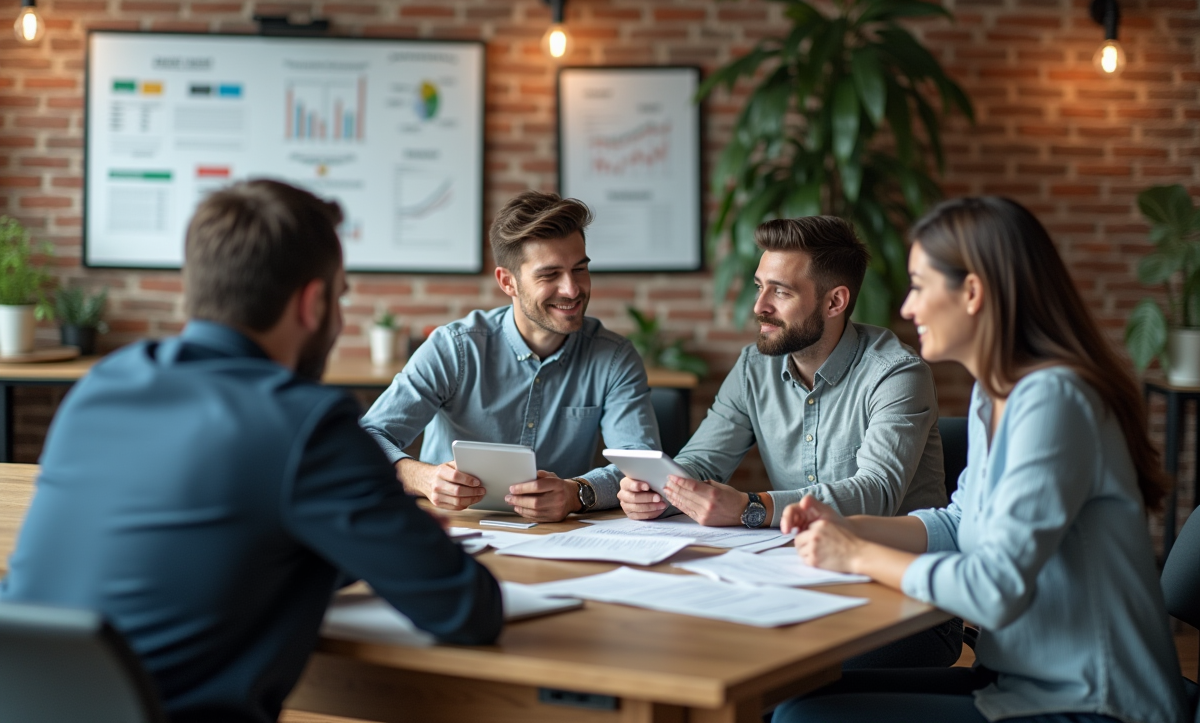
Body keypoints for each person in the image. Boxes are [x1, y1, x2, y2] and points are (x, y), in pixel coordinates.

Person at [0, 180, 503, 723]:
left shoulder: (101, 386)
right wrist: (397, 541)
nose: (338, 319)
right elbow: (465, 609)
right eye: (339, 297)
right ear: (312, 304)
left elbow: (213, 550)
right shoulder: (306, 424)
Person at [775, 197, 1187, 723]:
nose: (906, 308)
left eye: (920, 285)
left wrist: (854, 555)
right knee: (797, 700)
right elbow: (959, 521)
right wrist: (851, 527)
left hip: (1094, 702)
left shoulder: (1054, 399)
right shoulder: (993, 393)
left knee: (805, 718)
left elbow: (993, 591)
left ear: (971, 292)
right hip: (1016, 680)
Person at [618, 215, 957, 669]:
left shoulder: (896, 375)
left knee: (759, 667)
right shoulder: (753, 367)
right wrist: (662, 488)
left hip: (904, 602)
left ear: (835, 301)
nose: (759, 306)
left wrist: (749, 507)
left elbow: (875, 492)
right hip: (795, 581)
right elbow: (703, 460)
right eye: (759, 286)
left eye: (780, 291)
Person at [361, 191, 660, 522]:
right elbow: (366, 441)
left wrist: (577, 493)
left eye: (579, 269)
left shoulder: (614, 357)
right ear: (508, 282)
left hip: (560, 539)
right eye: (550, 275)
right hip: (453, 531)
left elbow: (641, 464)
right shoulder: (454, 347)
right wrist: (424, 478)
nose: (572, 289)